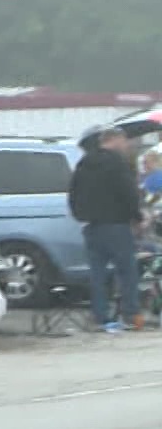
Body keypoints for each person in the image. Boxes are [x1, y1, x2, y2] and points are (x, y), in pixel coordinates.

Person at [68, 126, 145, 331]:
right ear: (115, 140)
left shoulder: (84, 163)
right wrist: (136, 217)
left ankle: (101, 317)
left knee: (98, 274)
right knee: (127, 271)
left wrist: (81, 216)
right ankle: (131, 315)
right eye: (124, 141)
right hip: (117, 225)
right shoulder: (117, 163)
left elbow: (73, 193)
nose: (126, 145)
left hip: (92, 227)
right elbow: (127, 192)